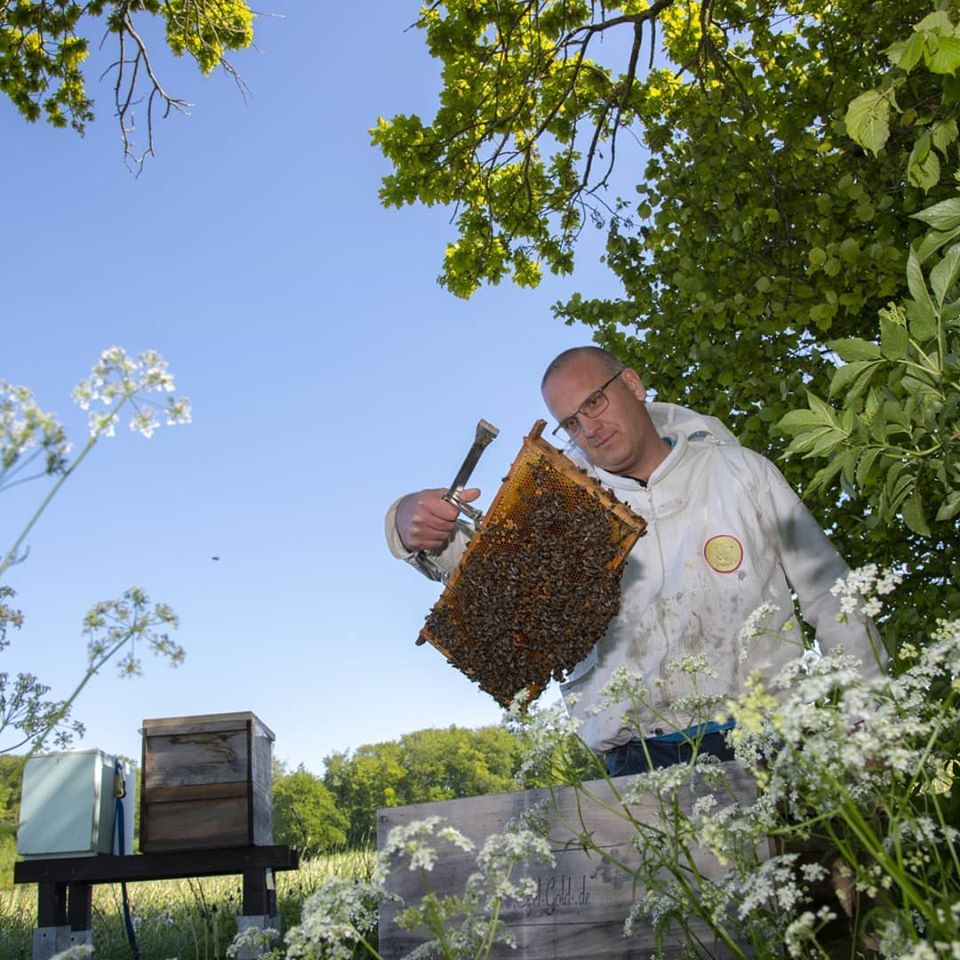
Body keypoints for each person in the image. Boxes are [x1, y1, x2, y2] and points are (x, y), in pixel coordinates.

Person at [385, 346, 885, 776]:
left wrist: (870, 714)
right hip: (634, 763)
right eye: (572, 423)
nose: (590, 429)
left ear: (631, 384)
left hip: (767, 742)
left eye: (595, 403)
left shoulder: (742, 473)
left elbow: (829, 590)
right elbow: (496, 576)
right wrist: (413, 525)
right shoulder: (559, 504)